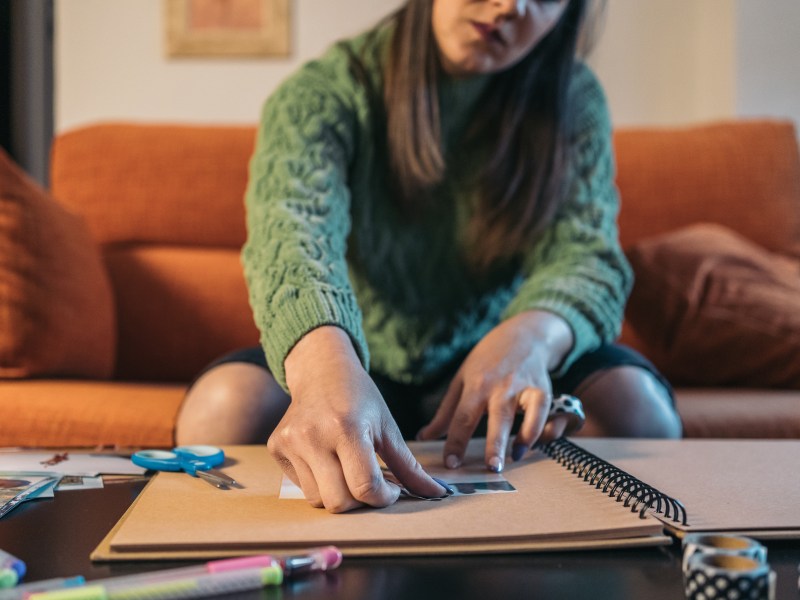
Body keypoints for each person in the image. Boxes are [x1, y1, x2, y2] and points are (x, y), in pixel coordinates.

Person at [176, 0, 683, 513]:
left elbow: (589, 258)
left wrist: (530, 338)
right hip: (354, 359)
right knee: (222, 408)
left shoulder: (574, 98)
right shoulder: (322, 92)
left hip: (499, 369)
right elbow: (291, 238)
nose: (510, 5)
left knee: (638, 408)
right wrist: (321, 368)